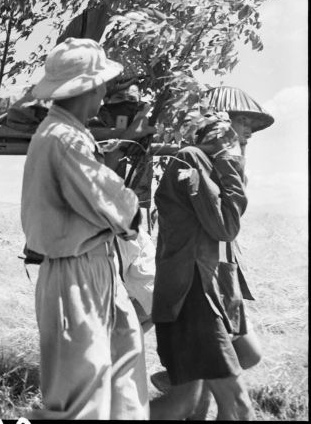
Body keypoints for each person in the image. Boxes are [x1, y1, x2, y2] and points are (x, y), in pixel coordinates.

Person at [21, 37, 154, 419]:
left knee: (124, 381)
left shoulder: (66, 134)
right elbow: (121, 208)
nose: (103, 96)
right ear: (90, 88)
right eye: (101, 87)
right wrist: (131, 215)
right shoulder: (64, 139)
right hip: (74, 274)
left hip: (94, 266)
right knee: (83, 400)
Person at [151, 86, 274, 419]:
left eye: (251, 124)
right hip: (195, 294)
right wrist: (228, 162)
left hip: (210, 290)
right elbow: (226, 227)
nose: (248, 129)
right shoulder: (193, 160)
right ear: (220, 123)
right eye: (242, 121)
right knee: (234, 408)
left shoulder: (210, 165)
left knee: (188, 405)